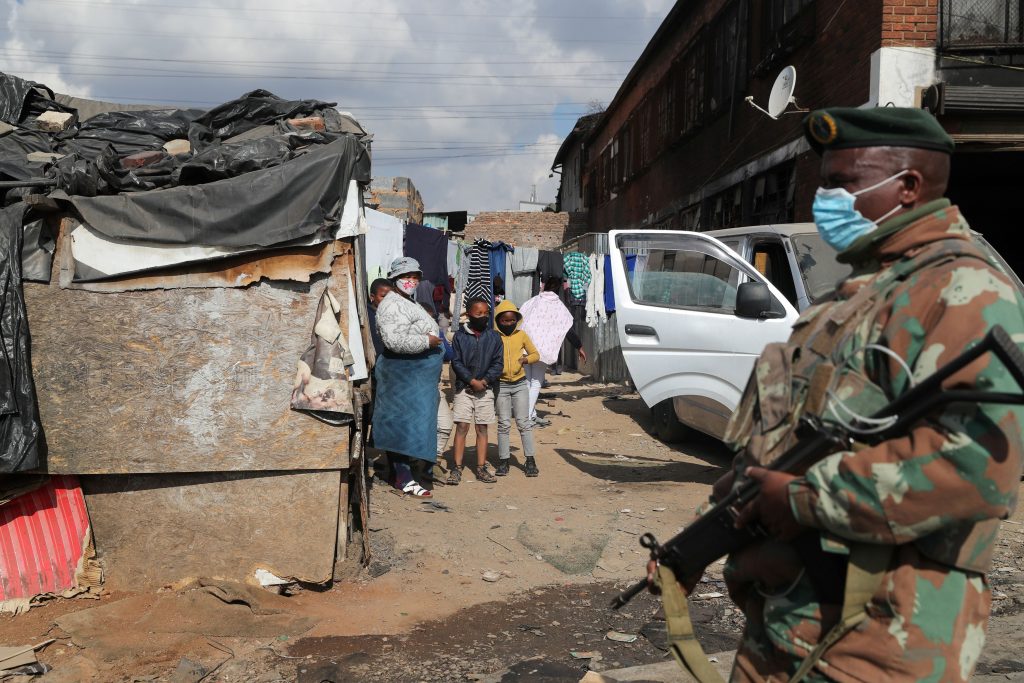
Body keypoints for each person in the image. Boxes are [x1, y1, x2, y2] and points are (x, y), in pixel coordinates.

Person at [647, 108, 1024, 682]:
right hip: (783, 620)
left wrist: (802, 498)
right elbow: (773, 454)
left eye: (842, 183)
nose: (824, 198)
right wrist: (704, 536)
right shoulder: (844, 300)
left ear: (908, 187)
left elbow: (975, 468)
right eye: (823, 181)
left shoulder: (963, 290)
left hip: (881, 637)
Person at [372, 257, 444, 498]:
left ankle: (409, 472)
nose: (411, 280)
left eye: (415, 276)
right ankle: (403, 477)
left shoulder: (407, 302)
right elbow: (394, 341)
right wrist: (428, 341)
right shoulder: (391, 305)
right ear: (395, 279)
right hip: (402, 376)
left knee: (414, 425)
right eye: (406, 276)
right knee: (401, 427)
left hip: (415, 377)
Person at [448, 297, 504, 485]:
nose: (483, 317)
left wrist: (485, 380)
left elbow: (498, 363)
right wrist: (471, 380)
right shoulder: (460, 336)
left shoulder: (494, 337)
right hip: (464, 388)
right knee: (462, 426)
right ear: (469, 314)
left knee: (482, 427)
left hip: (485, 390)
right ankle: (456, 468)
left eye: (486, 313)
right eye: (478, 313)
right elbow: (456, 362)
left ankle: (481, 468)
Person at [519, 276, 588, 427]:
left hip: (524, 347)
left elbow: (520, 317)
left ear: (544, 286)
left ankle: (531, 413)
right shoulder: (558, 306)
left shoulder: (533, 301)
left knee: (527, 382)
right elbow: (568, 329)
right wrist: (579, 346)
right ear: (558, 290)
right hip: (541, 350)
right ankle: (527, 418)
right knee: (536, 382)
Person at [493, 299, 541, 477]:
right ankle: (504, 461)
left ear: (517, 320)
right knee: (503, 424)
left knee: (524, 423)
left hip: (520, 384)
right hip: (501, 385)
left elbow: (536, 354)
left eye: (512, 320)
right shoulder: (493, 336)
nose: (509, 323)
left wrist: (526, 359)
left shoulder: (522, 335)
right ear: (498, 320)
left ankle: (530, 460)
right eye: (505, 321)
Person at [367, 278, 394, 356]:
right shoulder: (368, 316)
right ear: (372, 296)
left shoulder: (393, 314)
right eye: (383, 296)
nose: (388, 300)